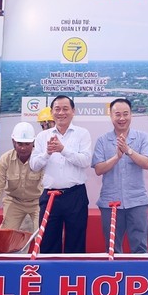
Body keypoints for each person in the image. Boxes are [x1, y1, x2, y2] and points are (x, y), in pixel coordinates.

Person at [30, 95, 93, 253]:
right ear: (52, 112)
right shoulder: (42, 136)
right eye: (57, 109)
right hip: (50, 196)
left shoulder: (82, 133)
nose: (61, 113)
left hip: (75, 194)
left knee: (76, 242)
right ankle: (50, 277)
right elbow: (33, 166)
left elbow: (86, 161)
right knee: (48, 242)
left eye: (65, 109)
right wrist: (47, 153)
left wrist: (63, 150)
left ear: (73, 111)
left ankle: (74, 276)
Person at [92, 98, 148, 253]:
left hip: (137, 201)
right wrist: (117, 157)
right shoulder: (102, 141)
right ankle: (115, 276)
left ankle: (140, 276)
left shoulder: (142, 137)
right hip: (110, 202)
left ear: (131, 115)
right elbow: (98, 169)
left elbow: (146, 163)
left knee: (140, 247)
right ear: (111, 116)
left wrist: (128, 151)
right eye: (117, 114)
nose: (122, 118)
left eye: (125, 114)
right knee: (112, 248)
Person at [0, 122, 42, 232]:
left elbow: (46, 186)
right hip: (14, 202)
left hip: (37, 203)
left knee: (43, 235)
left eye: (27, 144)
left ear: (33, 143)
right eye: (20, 144)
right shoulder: (5, 159)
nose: (23, 148)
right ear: (13, 142)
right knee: (6, 237)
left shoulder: (40, 160)